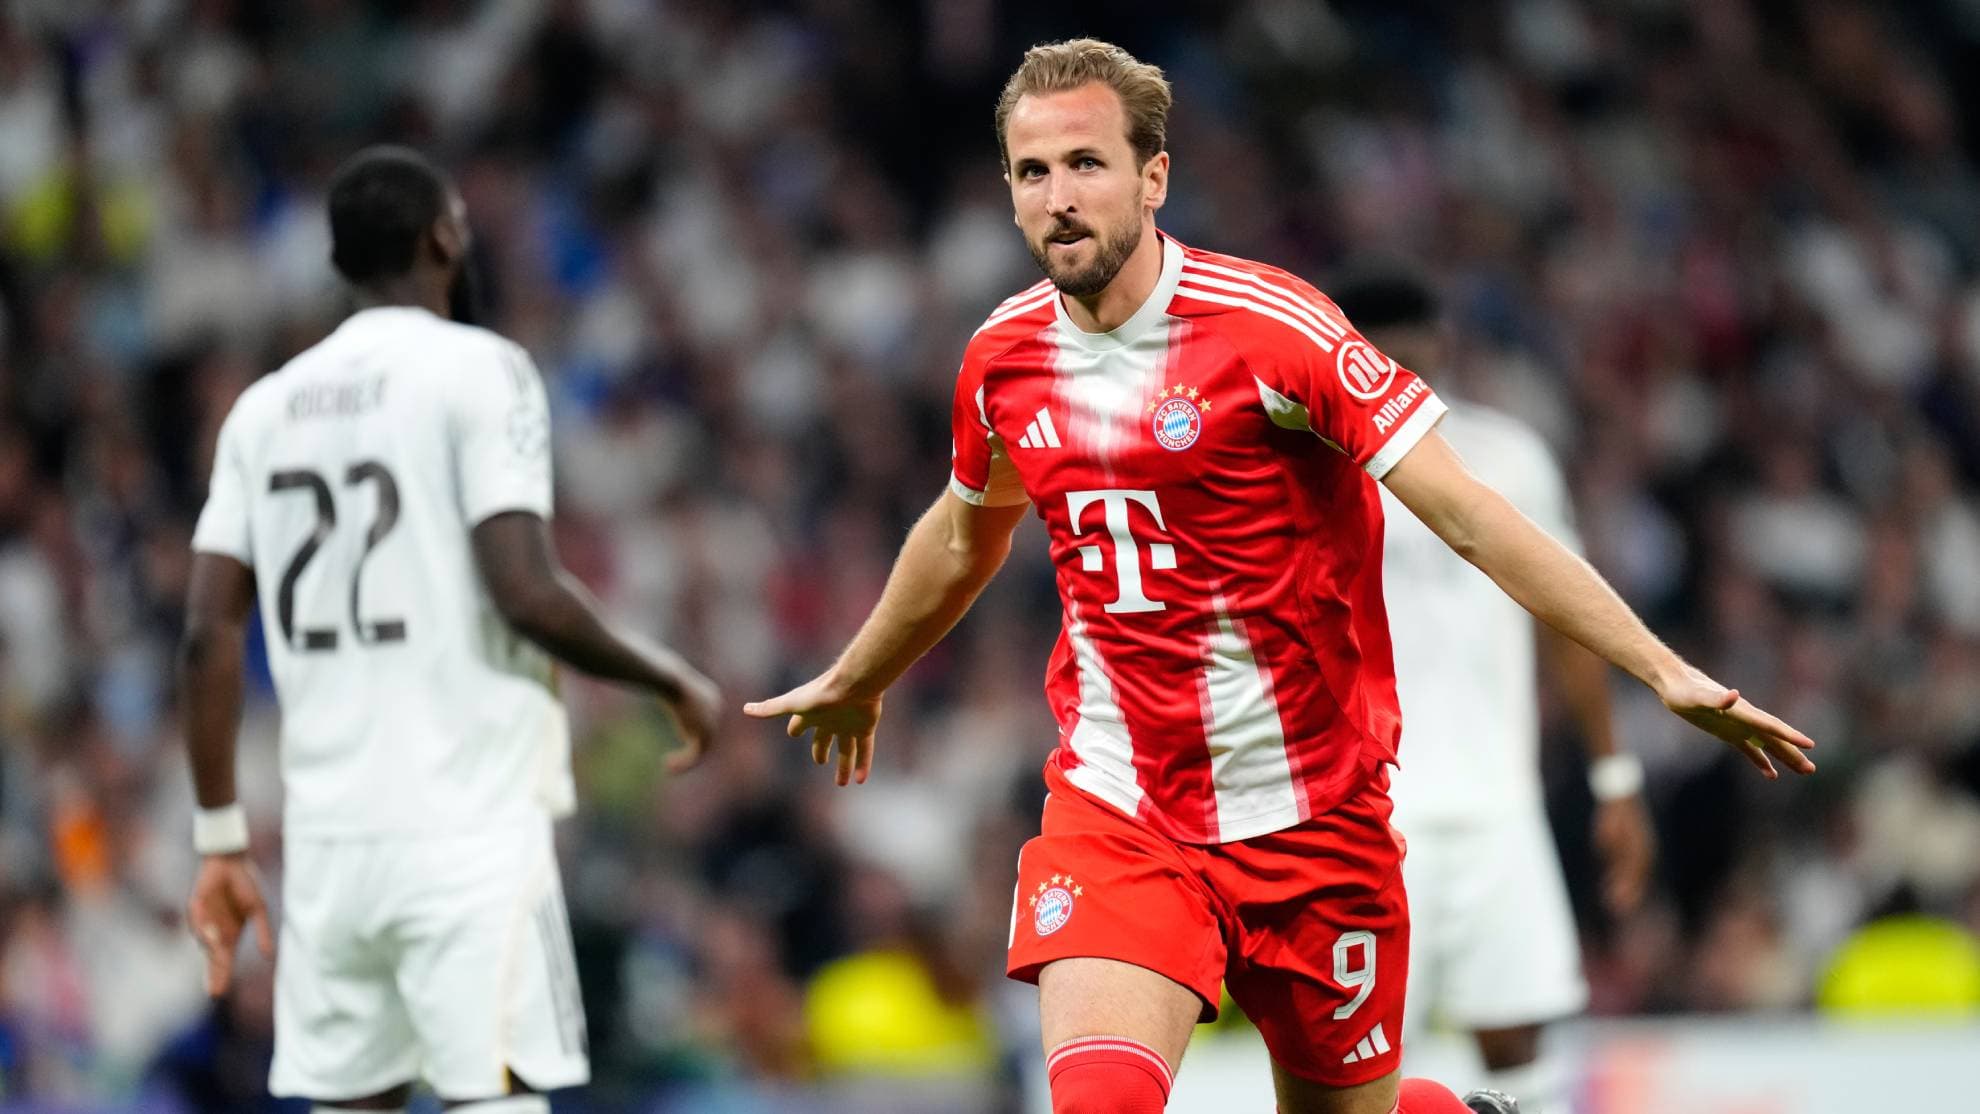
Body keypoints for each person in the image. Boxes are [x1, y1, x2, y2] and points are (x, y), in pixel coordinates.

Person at [746, 39, 1814, 1114]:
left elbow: (1475, 518)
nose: (1060, 199)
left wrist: (1664, 671)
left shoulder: (1275, 331)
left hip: (1316, 817)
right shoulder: (1003, 358)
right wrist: (861, 671)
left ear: (1153, 177)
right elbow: (960, 533)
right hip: (1124, 804)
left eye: (1086, 165)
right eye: (1033, 173)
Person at [179, 146, 721, 1114]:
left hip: (330, 846)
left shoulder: (261, 412)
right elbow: (525, 590)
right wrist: (666, 676)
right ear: (443, 237)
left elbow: (205, 635)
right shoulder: (483, 370)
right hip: (466, 829)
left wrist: (221, 839)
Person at [1333, 267, 1655, 1113]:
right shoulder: (1310, 465)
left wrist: (1613, 778)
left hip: (1496, 800)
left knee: (1516, 1033)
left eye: (1419, 353)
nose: (1406, 372)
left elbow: (1563, 619)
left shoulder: (1509, 457)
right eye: (1384, 356)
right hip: (1368, 808)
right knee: (1359, 1042)